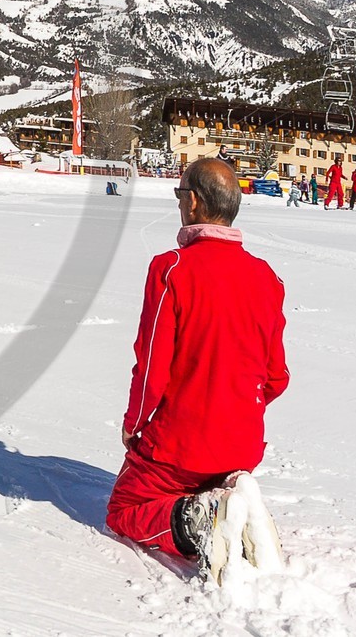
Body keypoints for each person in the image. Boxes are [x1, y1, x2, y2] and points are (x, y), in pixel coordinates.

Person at [106, 157, 289, 574]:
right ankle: (230, 493)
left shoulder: (171, 269)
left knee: (124, 509)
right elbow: (276, 376)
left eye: (179, 193)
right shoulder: (267, 278)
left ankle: (196, 523)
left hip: (181, 445)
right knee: (203, 477)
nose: (178, 202)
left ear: (194, 203)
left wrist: (134, 424)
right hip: (242, 445)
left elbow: (152, 364)